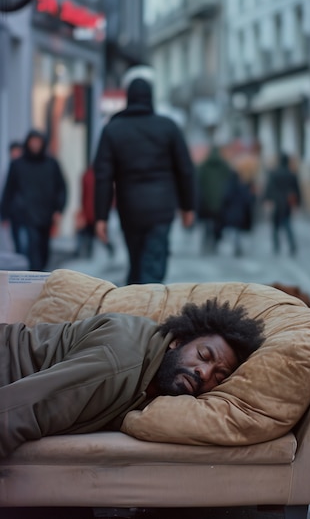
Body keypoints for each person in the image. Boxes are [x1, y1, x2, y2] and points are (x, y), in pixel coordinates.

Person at [0, 298, 265, 458]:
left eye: (219, 376)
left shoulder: (154, 369)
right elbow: (14, 412)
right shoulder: (118, 363)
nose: (204, 373)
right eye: (203, 355)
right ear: (178, 341)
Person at [94, 70, 196, 285]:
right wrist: (188, 207)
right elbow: (185, 170)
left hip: (129, 207)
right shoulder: (168, 127)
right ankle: (145, 310)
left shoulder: (112, 129)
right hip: (161, 207)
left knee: (136, 260)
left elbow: (103, 176)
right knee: (153, 263)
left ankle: (135, 305)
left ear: (128, 98)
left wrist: (100, 216)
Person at [0, 129, 67, 271]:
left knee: (44, 249)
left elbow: (61, 187)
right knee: (31, 249)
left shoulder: (51, 164)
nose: (35, 145)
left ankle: (38, 273)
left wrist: (59, 209)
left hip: (46, 214)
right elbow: (9, 189)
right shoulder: (18, 164)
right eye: (33, 142)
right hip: (25, 214)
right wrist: (4, 213)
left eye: (38, 142)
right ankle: (33, 278)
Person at [197, 145, 234, 254]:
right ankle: (215, 242)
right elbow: (230, 181)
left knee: (207, 223)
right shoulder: (224, 166)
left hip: (206, 200)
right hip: (221, 200)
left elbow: (198, 182)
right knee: (218, 223)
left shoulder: (203, 166)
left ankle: (206, 241)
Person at [263, 152, 301, 256]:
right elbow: (297, 190)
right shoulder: (291, 174)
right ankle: (292, 245)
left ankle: (276, 246)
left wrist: (267, 200)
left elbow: (269, 188)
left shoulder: (274, 173)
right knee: (287, 225)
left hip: (276, 202)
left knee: (275, 226)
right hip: (287, 203)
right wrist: (297, 204)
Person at [75, 165, 114, 259]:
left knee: (100, 240)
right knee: (92, 239)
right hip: (93, 214)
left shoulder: (94, 175)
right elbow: (84, 197)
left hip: (98, 214)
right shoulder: (88, 175)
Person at [0, 141, 23, 254]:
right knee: (18, 242)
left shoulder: (26, 168)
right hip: (15, 212)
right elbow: (7, 192)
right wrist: (4, 215)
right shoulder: (10, 168)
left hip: (28, 212)